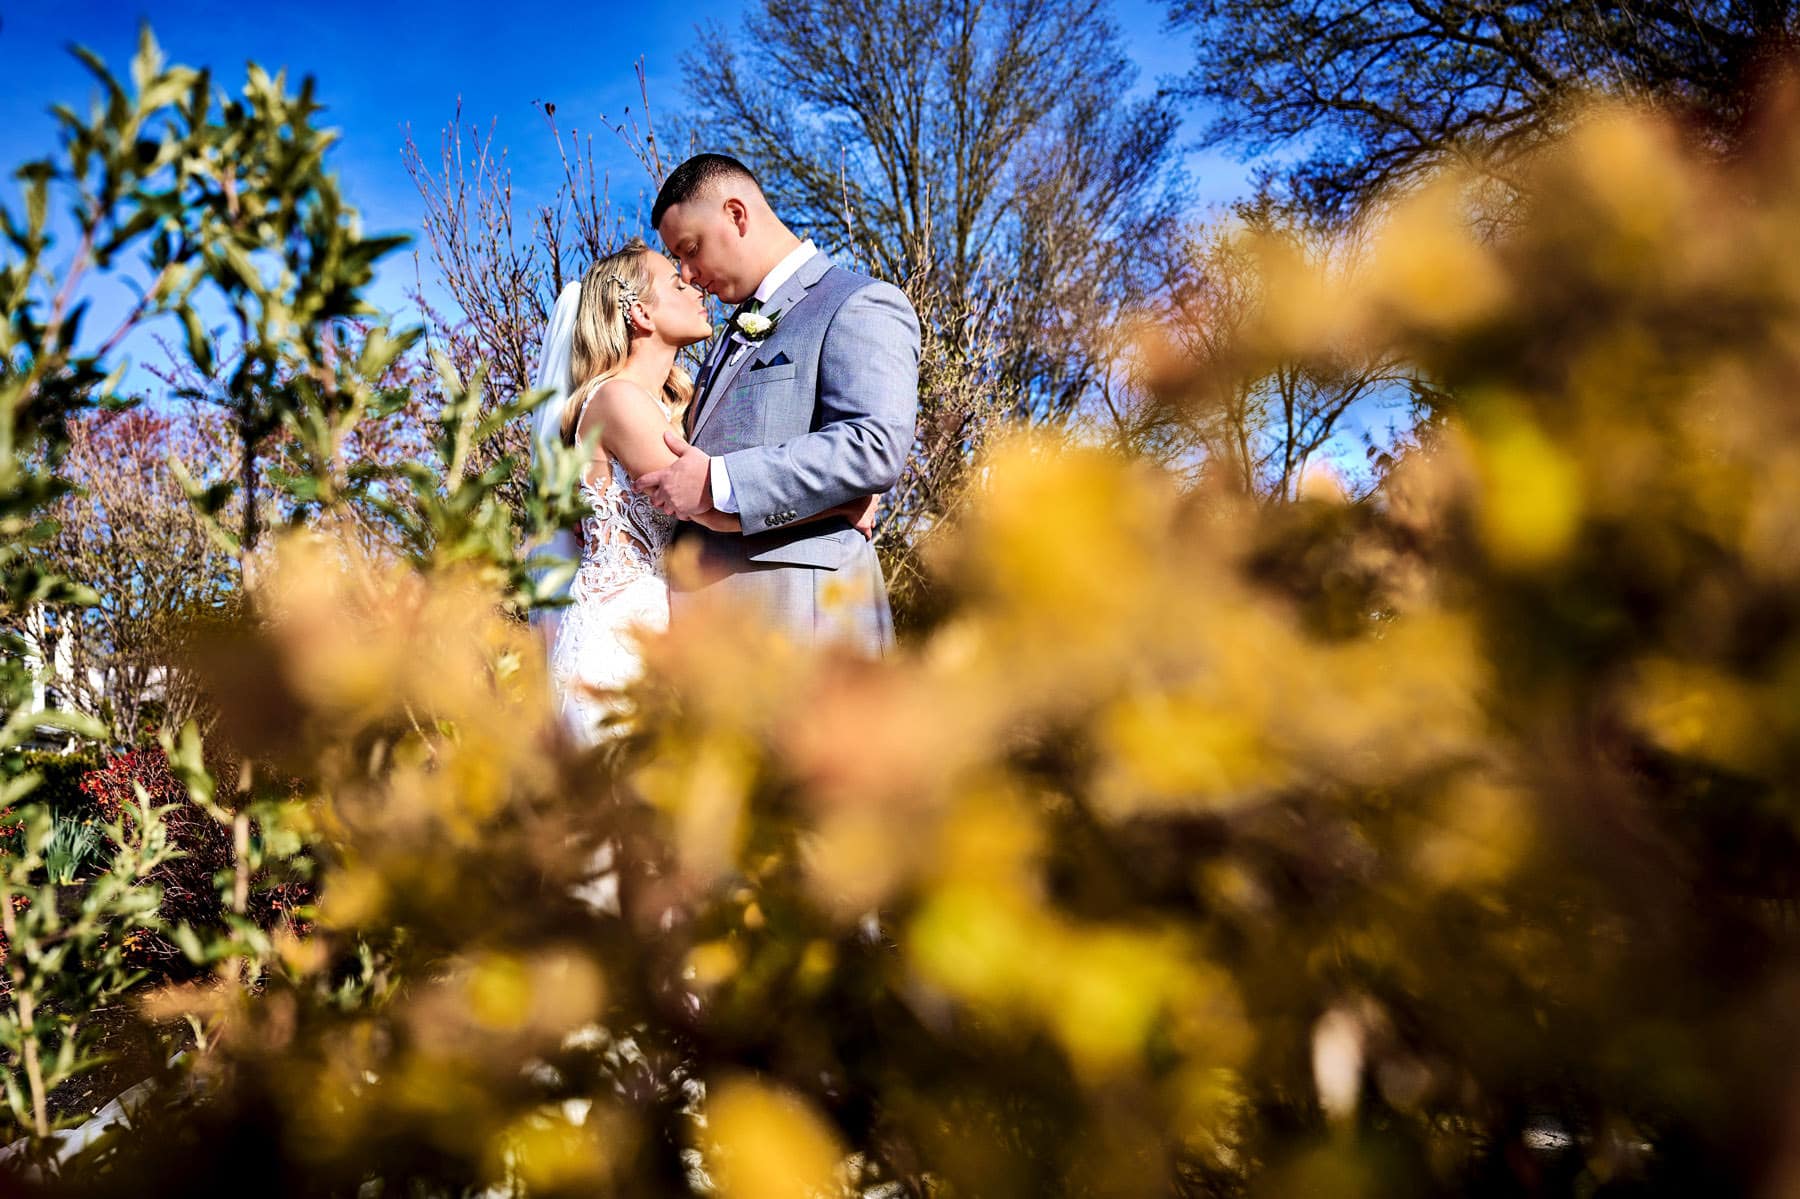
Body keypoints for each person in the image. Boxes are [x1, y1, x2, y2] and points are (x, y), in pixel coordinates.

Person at [545, 238, 879, 742]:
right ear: (640, 314)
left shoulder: (667, 405)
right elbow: (709, 505)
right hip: (617, 644)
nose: (696, 285)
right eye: (677, 283)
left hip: (664, 629)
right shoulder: (616, 400)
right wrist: (843, 503)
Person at [637, 154, 920, 655]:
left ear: (736, 214)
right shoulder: (728, 334)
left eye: (691, 249)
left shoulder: (857, 303)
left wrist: (718, 483)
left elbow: (874, 446)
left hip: (805, 633)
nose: (688, 273)